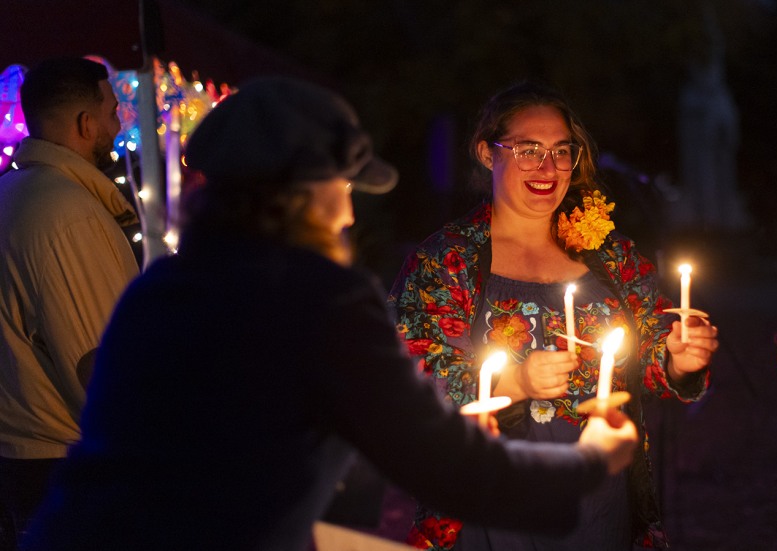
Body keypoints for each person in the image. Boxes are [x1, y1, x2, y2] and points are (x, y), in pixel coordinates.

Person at [21, 76, 640, 551]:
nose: (348, 214)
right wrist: (589, 460)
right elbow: (447, 467)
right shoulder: (320, 299)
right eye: (341, 189)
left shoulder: (161, 289)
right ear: (298, 194)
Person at [389, 81, 718, 550]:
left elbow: (650, 351)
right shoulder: (446, 261)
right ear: (487, 153)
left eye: (562, 151)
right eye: (528, 150)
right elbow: (408, 383)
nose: (547, 167)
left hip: (599, 507)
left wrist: (679, 359)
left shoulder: (611, 257)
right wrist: (515, 384)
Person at [0, 57, 139, 548]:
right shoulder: (68, 214)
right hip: (62, 464)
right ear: (86, 123)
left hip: (25, 459)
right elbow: (96, 364)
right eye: (113, 110)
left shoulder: (12, 192)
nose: (118, 122)